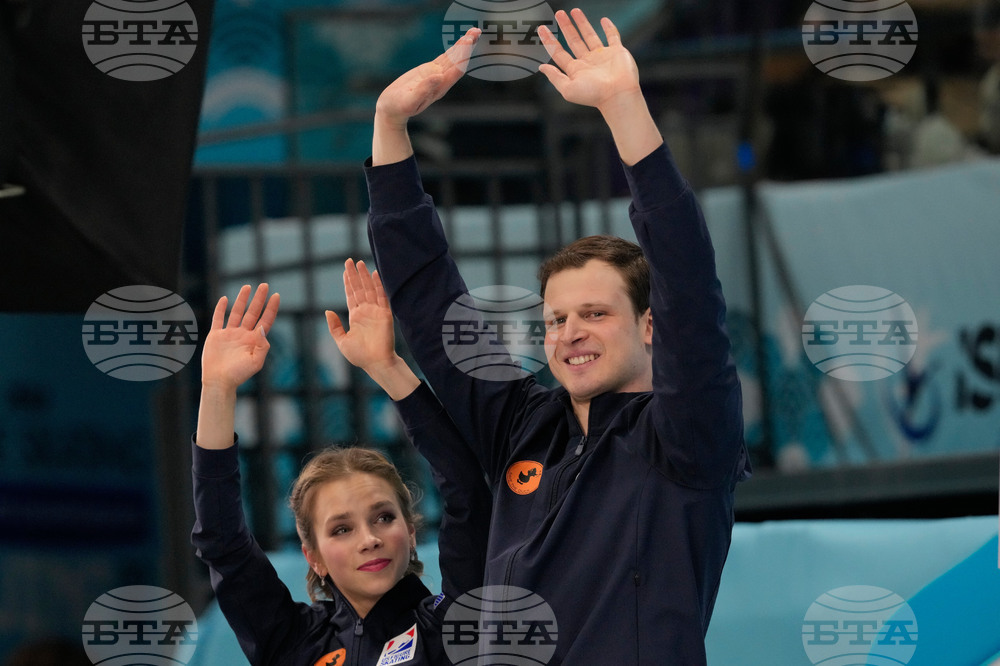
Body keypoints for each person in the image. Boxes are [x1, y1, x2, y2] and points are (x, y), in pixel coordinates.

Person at [364, 9, 750, 664]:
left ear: (650, 326)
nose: (571, 333)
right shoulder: (521, 424)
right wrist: (390, 129)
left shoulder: (687, 435)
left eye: (595, 314)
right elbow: (432, 306)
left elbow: (688, 282)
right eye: (556, 319)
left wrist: (626, 111)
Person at [191, 280, 491, 666]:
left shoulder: (453, 625)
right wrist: (217, 389)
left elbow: (467, 490)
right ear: (313, 557)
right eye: (341, 529)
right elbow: (222, 542)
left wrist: (387, 367)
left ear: (411, 532)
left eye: (384, 517)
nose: (369, 539)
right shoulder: (294, 642)